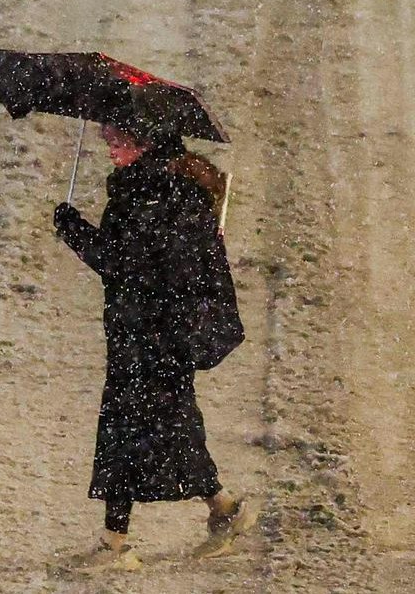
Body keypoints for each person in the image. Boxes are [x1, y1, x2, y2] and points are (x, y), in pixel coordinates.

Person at [52, 121, 245, 571]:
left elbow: (123, 264)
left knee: (127, 431)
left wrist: (72, 228)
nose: (108, 145)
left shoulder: (151, 195)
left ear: (145, 142)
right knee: (167, 427)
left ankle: (116, 544)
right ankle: (224, 508)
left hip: (150, 337)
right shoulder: (171, 188)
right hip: (159, 335)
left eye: (116, 138)